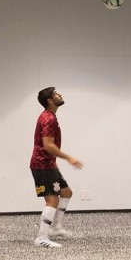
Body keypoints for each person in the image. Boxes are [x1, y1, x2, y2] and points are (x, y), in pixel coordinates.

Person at [30, 87, 83, 248]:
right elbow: (48, 145)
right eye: (56, 94)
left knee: (66, 192)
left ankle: (55, 228)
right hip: (42, 165)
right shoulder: (48, 119)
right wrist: (68, 158)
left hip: (49, 164)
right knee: (52, 199)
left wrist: (55, 160)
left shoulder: (51, 116)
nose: (60, 95)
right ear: (50, 101)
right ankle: (41, 237)